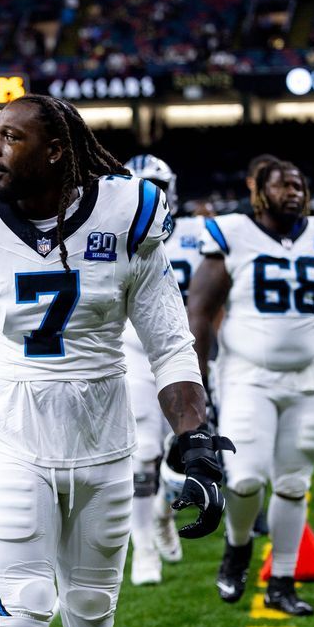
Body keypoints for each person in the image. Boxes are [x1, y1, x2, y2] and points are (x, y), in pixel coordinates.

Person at [0, 95, 227, 627]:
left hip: (104, 441)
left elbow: (170, 345)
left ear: (56, 151)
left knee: (93, 616)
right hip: (15, 438)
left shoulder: (127, 213)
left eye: (10, 137)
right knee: (21, 614)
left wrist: (195, 438)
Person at [187, 159, 314, 616]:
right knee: (246, 477)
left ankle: (283, 581)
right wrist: (197, 382)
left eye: (300, 184)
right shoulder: (232, 232)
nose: (294, 191)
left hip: (308, 379)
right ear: (259, 191)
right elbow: (199, 312)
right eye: (283, 184)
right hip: (247, 376)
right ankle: (237, 548)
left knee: (294, 484)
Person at [120, 154, 200, 585]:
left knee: (187, 454)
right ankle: (145, 547)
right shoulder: (118, 236)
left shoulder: (199, 235)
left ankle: (165, 514)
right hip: (134, 354)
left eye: (158, 185)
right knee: (142, 457)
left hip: (186, 353)